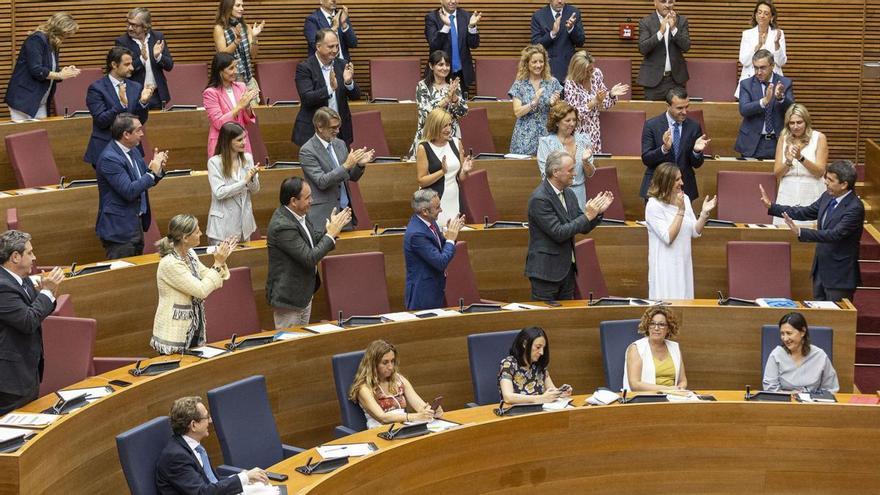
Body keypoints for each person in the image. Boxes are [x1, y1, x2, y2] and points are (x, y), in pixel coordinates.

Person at [760, 160, 864, 301]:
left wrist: (801, 232)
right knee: (819, 316)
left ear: (844, 184)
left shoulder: (854, 207)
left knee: (835, 320)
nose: (825, 182)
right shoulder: (827, 196)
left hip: (839, 276)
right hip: (820, 270)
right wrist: (772, 207)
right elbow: (805, 212)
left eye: (830, 180)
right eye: (826, 178)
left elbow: (835, 234)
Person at [525, 150, 613, 301]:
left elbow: (582, 226)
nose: (574, 173)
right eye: (571, 170)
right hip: (546, 273)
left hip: (567, 271)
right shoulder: (539, 199)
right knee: (545, 320)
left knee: (566, 322)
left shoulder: (569, 194)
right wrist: (587, 216)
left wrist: (596, 213)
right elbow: (559, 233)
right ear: (556, 172)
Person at [266, 177, 351, 328]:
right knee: (290, 347)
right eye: (307, 197)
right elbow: (309, 258)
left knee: (302, 343)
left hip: (304, 295)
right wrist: (330, 235)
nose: (312, 200)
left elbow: (313, 240)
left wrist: (330, 228)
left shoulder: (300, 215)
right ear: (293, 201)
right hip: (289, 300)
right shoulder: (282, 225)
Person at [0, 231, 63, 416]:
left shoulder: (23, 279)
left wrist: (47, 293)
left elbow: (39, 310)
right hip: (10, 379)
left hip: (27, 370)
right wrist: (47, 292)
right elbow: (28, 321)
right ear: (15, 256)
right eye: (30, 253)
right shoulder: (2, 287)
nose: (34, 257)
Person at [151, 214, 233, 354]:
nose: (201, 233)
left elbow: (207, 274)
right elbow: (201, 290)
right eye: (197, 231)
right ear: (185, 238)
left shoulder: (190, 254)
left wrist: (221, 261)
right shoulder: (170, 263)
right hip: (174, 333)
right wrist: (218, 263)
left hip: (193, 326)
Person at [156, 396, 269, 494]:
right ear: (194, 425)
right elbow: (203, 492)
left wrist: (244, 478)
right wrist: (244, 477)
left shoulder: (194, 447)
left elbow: (212, 481)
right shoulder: (175, 457)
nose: (210, 420)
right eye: (206, 417)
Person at [95, 113, 168, 260]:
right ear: (126, 134)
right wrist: (151, 173)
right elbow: (129, 191)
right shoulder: (110, 158)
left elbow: (143, 181)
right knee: (122, 277)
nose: (142, 133)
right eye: (138, 130)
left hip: (135, 224)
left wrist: (157, 170)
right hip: (119, 230)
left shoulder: (133, 150)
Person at [645, 163, 716, 300]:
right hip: (665, 269)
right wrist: (681, 211)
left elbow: (694, 232)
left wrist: (704, 214)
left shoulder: (685, 199)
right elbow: (668, 237)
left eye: (681, 178)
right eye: (677, 179)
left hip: (683, 266)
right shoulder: (653, 206)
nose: (682, 183)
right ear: (666, 181)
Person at [299, 107, 372, 230]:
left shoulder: (340, 144)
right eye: (333, 128)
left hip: (345, 213)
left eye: (338, 126)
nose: (337, 131)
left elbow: (350, 176)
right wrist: (346, 165)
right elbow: (322, 182)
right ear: (320, 127)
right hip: (323, 217)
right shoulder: (307, 151)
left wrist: (360, 164)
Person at [83, 46, 154, 168]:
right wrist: (121, 105)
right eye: (126, 64)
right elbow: (101, 120)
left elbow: (140, 121)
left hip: (131, 149)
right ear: (114, 65)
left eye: (131, 64)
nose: (131, 68)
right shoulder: (97, 88)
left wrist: (143, 103)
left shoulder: (135, 86)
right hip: (105, 149)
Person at [4, 13, 80, 122]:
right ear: (59, 30)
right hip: (24, 99)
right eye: (66, 34)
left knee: (40, 135)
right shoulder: (36, 39)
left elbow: (50, 70)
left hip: (40, 100)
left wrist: (64, 71)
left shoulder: (53, 43)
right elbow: (36, 70)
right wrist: (59, 75)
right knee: (24, 136)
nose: (66, 38)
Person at [349, 340, 442, 428]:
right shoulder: (364, 388)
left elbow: (420, 407)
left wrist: (431, 411)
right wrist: (414, 417)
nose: (390, 367)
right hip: (380, 431)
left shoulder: (399, 379)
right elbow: (383, 418)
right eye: (385, 362)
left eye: (392, 361)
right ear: (373, 364)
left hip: (403, 426)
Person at [640, 87, 710, 202]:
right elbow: (646, 159)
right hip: (657, 187)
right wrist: (664, 149)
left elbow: (697, 164)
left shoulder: (694, 126)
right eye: (679, 108)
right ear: (668, 106)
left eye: (687, 107)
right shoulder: (652, 125)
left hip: (684, 188)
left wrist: (696, 152)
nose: (684, 112)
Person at [293, 29, 361, 147]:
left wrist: (349, 82)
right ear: (318, 46)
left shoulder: (342, 64)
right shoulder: (305, 67)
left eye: (337, 46)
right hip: (313, 131)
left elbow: (356, 96)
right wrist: (330, 88)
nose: (335, 50)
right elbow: (307, 98)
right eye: (330, 47)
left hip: (340, 131)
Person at [403, 189, 466, 311]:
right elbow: (440, 262)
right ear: (425, 211)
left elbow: (440, 246)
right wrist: (451, 239)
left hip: (436, 289)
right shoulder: (416, 234)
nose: (441, 210)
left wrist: (450, 234)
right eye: (437, 208)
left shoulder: (430, 222)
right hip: (423, 295)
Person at [562, 50, 629, 153]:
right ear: (578, 71)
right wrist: (593, 102)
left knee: (593, 165)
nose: (590, 73)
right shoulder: (570, 84)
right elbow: (573, 115)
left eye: (591, 69)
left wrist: (611, 94)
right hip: (577, 131)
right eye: (587, 71)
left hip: (594, 129)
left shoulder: (596, 74)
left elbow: (605, 104)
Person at [415, 108, 473, 226]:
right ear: (435, 127)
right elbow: (421, 181)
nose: (448, 129)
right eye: (444, 126)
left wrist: (465, 171)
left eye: (450, 125)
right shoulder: (424, 147)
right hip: (434, 204)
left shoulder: (456, 143)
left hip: (454, 198)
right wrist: (442, 172)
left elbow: (460, 177)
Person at [772, 104, 827, 226]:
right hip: (787, 192)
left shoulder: (819, 138)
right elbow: (777, 174)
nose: (795, 127)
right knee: (784, 232)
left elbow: (820, 172)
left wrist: (800, 158)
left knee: (810, 234)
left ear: (806, 122)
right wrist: (788, 161)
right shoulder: (783, 138)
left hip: (812, 191)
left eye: (799, 122)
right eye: (792, 123)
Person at [207, 122, 261, 245]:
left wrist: (252, 179)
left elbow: (255, 190)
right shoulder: (214, 162)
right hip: (222, 228)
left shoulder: (247, 158)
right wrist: (244, 182)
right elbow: (219, 193)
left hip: (244, 226)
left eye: (245, 138)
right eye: (239, 140)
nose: (244, 142)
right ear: (228, 141)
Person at [735, 48, 794, 159]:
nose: (758, 72)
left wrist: (781, 98)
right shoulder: (746, 84)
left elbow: (792, 110)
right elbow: (744, 109)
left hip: (777, 141)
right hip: (752, 143)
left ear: (772, 66)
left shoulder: (785, 83)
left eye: (762, 68)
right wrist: (764, 101)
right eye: (756, 68)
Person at [408, 50, 468, 160]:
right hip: (428, 136)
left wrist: (454, 97)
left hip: (450, 136)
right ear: (431, 66)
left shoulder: (454, 86)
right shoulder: (422, 86)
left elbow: (463, 113)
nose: (444, 68)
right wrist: (446, 100)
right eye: (440, 64)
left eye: (447, 65)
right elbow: (426, 114)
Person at [536, 101, 596, 208]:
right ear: (557, 122)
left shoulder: (583, 140)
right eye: (567, 120)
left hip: (579, 193)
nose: (572, 124)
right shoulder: (546, 143)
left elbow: (590, 173)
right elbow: (546, 175)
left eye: (574, 120)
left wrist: (585, 161)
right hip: (557, 194)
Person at [762, 312, 839, 393]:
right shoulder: (776, 355)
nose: (785, 338)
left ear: (802, 332)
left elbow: (831, 388)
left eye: (789, 333)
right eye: (782, 334)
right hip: (785, 403)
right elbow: (770, 389)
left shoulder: (820, 355)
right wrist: (792, 397)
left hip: (813, 403)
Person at [508, 44, 562, 156]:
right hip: (524, 138)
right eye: (534, 62)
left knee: (550, 169)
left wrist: (554, 104)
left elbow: (560, 112)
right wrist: (533, 103)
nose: (538, 65)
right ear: (527, 64)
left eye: (541, 61)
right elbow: (517, 112)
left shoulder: (553, 83)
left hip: (547, 135)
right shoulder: (519, 84)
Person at [202, 52, 259, 158]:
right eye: (231, 68)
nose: (236, 71)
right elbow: (219, 122)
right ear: (220, 71)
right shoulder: (210, 93)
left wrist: (247, 107)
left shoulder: (241, 87)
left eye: (236, 67)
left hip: (241, 142)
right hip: (222, 144)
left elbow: (246, 120)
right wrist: (239, 107)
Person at [115, 8, 173, 109]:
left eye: (134, 25)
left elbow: (169, 66)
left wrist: (158, 57)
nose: (129, 28)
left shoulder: (158, 37)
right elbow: (122, 71)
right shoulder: (122, 42)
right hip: (135, 96)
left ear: (145, 27)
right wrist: (142, 59)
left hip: (157, 95)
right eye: (128, 23)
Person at [499, 326, 571, 404]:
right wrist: (540, 398)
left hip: (540, 411)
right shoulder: (508, 364)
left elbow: (552, 390)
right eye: (538, 347)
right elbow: (508, 397)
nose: (542, 352)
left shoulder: (540, 365)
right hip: (516, 413)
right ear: (525, 344)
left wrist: (561, 393)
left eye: (543, 348)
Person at [623, 306, 688, 391]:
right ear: (647, 326)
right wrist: (668, 390)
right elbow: (635, 385)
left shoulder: (674, 347)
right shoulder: (636, 348)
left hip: (673, 397)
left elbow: (682, 380)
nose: (656, 328)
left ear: (668, 328)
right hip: (646, 398)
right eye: (652, 323)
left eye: (661, 324)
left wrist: (679, 389)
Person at [637, 0, 691, 101]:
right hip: (653, 80)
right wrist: (661, 32)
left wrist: (674, 29)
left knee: (676, 114)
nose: (667, 5)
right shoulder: (646, 22)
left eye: (670, 2)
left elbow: (686, 46)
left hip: (676, 80)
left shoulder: (682, 21)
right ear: (655, 3)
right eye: (663, 1)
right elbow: (643, 48)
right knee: (653, 114)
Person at [213, 0, 264, 103]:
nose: (242, 9)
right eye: (238, 5)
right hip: (231, 82)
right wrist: (237, 41)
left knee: (253, 116)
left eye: (242, 6)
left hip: (248, 79)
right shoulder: (219, 29)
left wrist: (254, 38)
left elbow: (253, 55)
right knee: (236, 115)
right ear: (228, 7)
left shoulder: (246, 27)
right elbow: (222, 56)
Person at [424, 0, 482, 90]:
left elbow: (474, 44)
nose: (453, 1)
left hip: (461, 75)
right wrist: (447, 26)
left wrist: (471, 27)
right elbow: (434, 45)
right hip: (440, 73)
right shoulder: (432, 17)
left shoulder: (466, 16)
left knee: (460, 103)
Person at [735, 1, 786, 99]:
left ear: (772, 17)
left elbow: (781, 62)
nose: (762, 16)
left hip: (773, 82)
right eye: (759, 12)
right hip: (751, 81)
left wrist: (776, 44)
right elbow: (744, 61)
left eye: (766, 13)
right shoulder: (747, 34)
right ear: (755, 15)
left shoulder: (778, 34)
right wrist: (758, 46)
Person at [530, 0, 585, 84]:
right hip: (547, 70)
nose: (560, 1)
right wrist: (552, 34)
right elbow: (535, 45)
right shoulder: (538, 16)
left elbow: (580, 42)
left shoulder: (573, 12)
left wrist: (571, 29)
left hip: (568, 71)